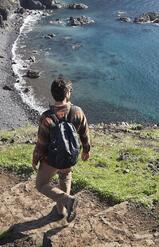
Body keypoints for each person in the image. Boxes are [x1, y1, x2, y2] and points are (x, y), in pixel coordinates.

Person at [32, 78, 91, 222]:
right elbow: (84, 133)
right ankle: (62, 210)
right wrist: (86, 150)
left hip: (51, 160)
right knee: (65, 177)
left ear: (53, 94)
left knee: (40, 184)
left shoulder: (46, 117)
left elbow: (41, 143)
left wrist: (35, 159)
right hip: (70, 156)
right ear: (68, 93)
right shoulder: (77, 112)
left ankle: (67, 201)